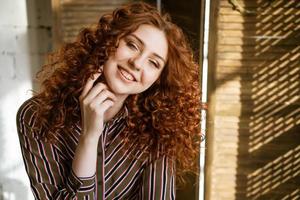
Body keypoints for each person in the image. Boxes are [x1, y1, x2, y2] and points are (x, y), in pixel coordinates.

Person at [16, 2, 201, 199]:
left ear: (158, 79)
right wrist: (89, 137)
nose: (137, 63)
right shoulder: (36, 116)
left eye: (153, 63)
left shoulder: (158, 127)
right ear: (109, 42)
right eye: (132, 45)